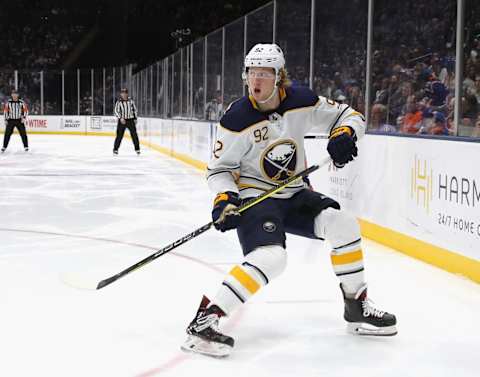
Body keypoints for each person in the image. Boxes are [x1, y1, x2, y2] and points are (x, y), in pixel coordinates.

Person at [181, 44, 397, 358]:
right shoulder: (237, 118)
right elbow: (219, 170)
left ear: (279, 76)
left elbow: (350, 115)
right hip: (256, 197)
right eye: (252, 72)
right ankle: (206, 320)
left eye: (265, 73)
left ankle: (356, 306)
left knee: (344, 225)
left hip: (295, 193)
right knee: (272, 258)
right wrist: (224, 199)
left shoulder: (302, 101)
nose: (256, 80)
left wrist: (344, 134)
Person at [113, 88, 140, 155]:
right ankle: (115, 149)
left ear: (127, 94)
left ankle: (137, 149)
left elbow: (134, 110)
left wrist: (135, 118)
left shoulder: (131, 101)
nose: (124, 94)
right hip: (122, 121)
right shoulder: (118, 102)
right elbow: (116, 111)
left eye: (125, 93)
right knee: (119, 136)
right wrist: (121, 118)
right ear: (121, 94)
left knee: (134, 135)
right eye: (122, 93)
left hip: (130, 120)